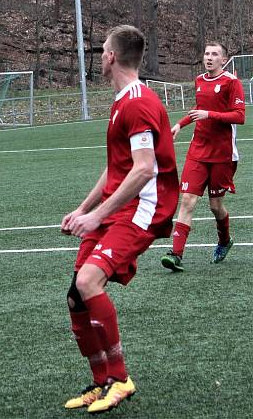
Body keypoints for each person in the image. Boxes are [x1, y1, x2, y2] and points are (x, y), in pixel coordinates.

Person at [60, 25, 178, 413]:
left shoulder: (138, 103)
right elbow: (116, 168)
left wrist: (96, 217)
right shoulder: (121, 101)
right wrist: (83, 208)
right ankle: (101, 382)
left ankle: (121, 378)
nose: (100, 57)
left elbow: (143, 170)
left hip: (141, 208)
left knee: (89, 280)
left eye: (103, 51)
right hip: (116, 207)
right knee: (77, 296)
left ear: (111, 56)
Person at [162, 41, 245, 271]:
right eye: (207, 53)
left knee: (216, 206)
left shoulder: (232, 82)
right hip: (198, 151)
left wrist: (209, 114)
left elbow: (239, 116)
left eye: (214, 54)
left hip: (223, 154)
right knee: (187, 200)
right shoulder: (199, 80)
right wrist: (180, 124)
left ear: (223, 59)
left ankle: (224, 241)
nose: (209, 57)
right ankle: (175, 254)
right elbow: (198, 110)